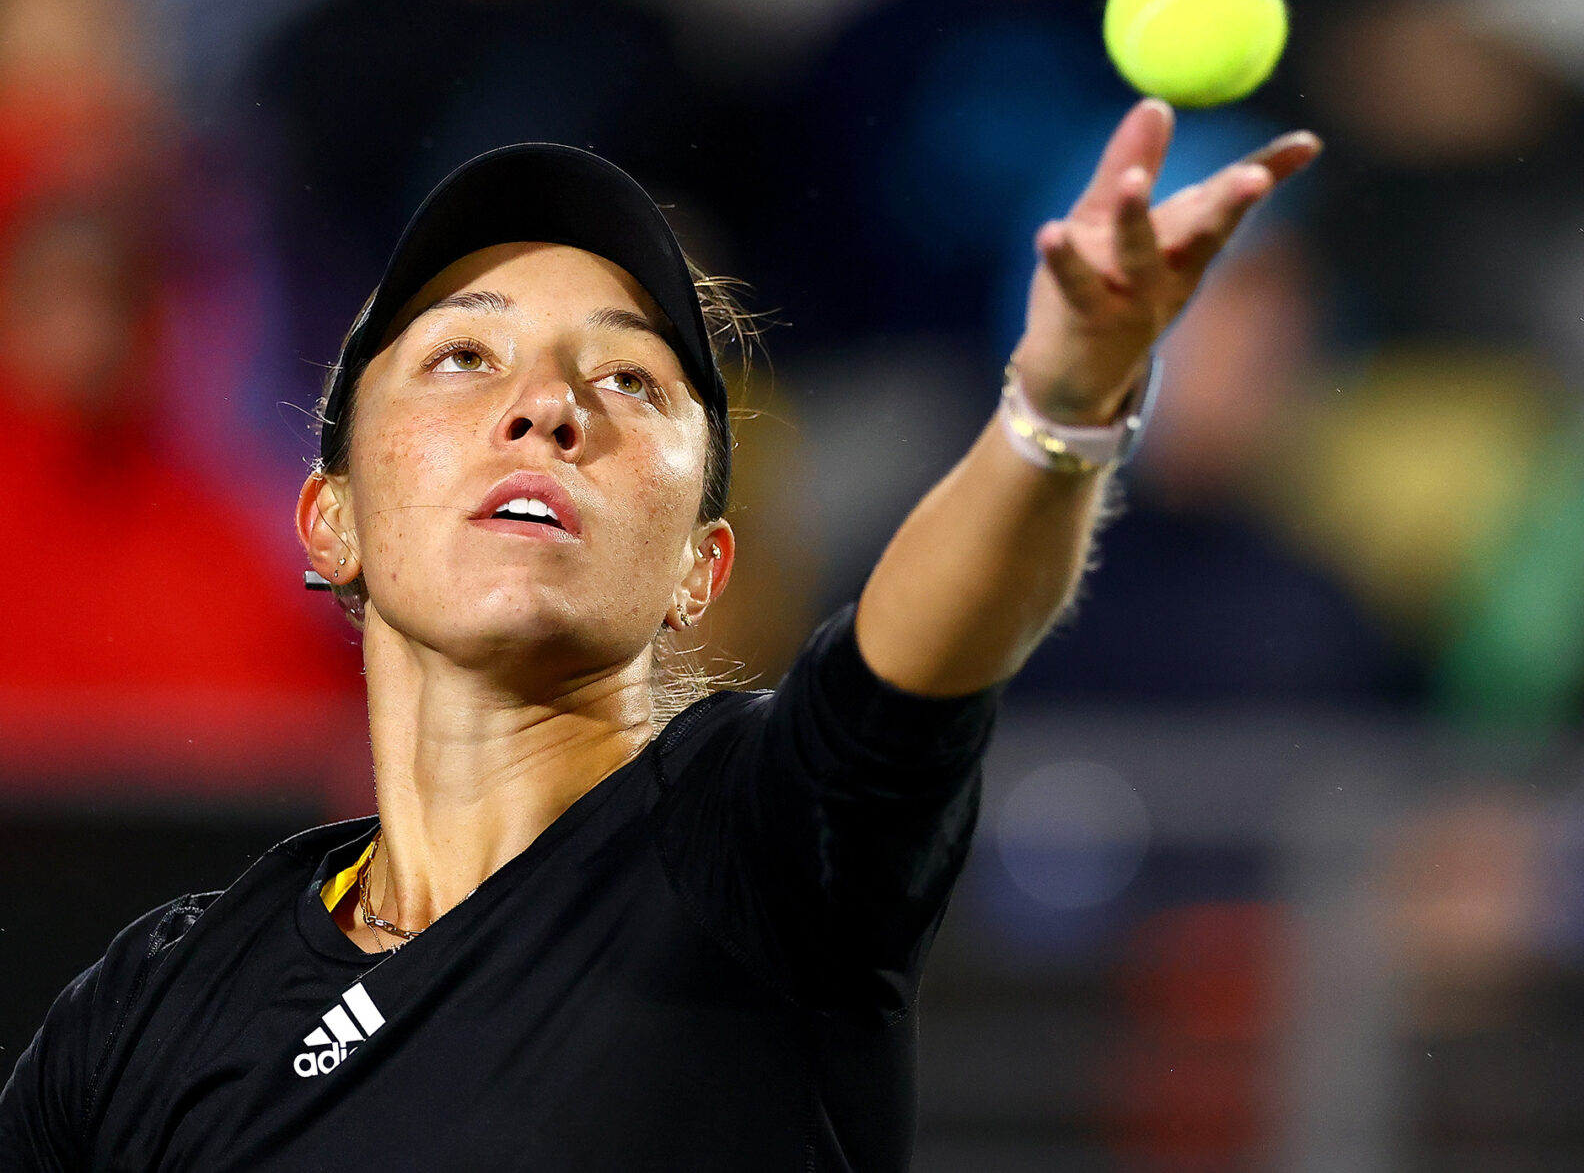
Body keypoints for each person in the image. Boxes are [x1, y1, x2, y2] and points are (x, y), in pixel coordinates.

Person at [0, 100, 1318, 1171]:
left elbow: (903, 669)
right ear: (330, 521)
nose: (547, 407)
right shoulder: (153, 1003)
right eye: (465, 357)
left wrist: (1061, 405)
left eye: (629, 378)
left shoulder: (746, 843)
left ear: (700, 567)